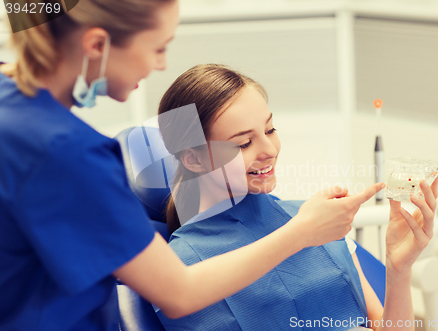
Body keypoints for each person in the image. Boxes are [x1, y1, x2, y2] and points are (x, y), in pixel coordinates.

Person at [0, 1, 385, 329]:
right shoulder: (67, 155)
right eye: (158, 47)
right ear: (98, 44)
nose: (161, 64)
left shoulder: (11, 106)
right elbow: (178, 293)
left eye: (270, 128)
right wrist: (303, 231)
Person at [155, 64, 438, 330]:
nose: (269, 149)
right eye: (243, 143)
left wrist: (398, 269)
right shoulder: (182, 267)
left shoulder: (316, 219)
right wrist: (302, 232)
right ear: (193, 159)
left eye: (270, 130)